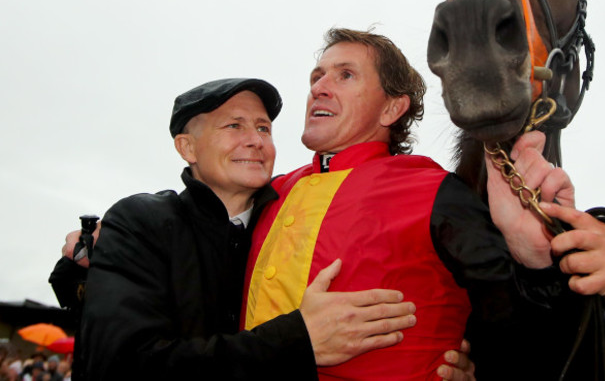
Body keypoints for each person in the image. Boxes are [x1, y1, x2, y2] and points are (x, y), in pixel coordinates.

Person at [241, 27, 605, 380]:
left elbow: (514, 324)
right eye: (318, 76)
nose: (319, 87)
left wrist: (484, 369)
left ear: (392, 108)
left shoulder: (437, 191)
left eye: (345, 75)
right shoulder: (266, 193)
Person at [59, 77, 423, 381]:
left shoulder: (293, 222)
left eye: (263, 127)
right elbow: (118, 366)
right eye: (234, 125)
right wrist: (298, 340)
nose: (255, 140)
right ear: (188, 147)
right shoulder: (142, 221)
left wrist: (446, 356)